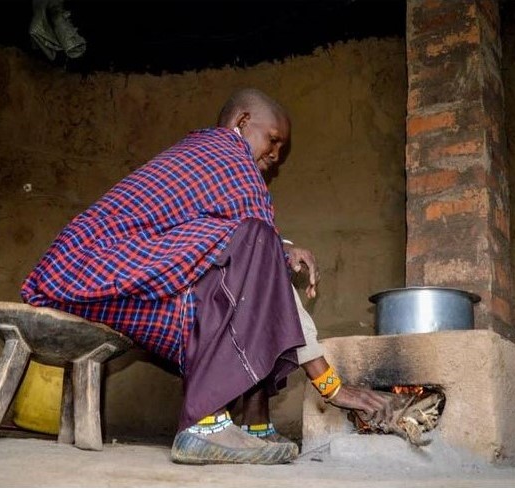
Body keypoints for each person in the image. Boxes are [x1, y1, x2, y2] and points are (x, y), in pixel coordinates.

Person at [21, 88, 391, 465]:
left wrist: (280, 249)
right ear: (242, 122)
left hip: (78, 276)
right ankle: (203, 423)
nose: (276, 155)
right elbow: (258, 255)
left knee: (251, 276)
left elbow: (261, 277)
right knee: (253, 251)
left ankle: (254, 423)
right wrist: (332, 385)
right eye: (274, 139)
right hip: (92, 269)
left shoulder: (202, 158)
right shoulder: (227, 155)